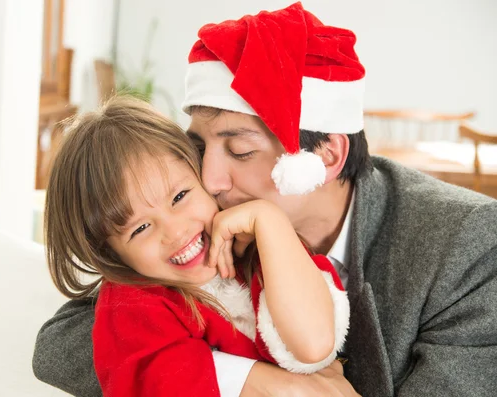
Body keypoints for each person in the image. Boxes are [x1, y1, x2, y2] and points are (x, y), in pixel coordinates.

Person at [33, 3, 497, 396]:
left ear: (326, 155)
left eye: (240, 151)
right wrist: (269, 384)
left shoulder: (467, 247)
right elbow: (62, 342)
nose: (210, 178)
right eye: (198, 148)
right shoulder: (202, 226)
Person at [43, 95, 350, 396]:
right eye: (140, 228)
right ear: (111, 254)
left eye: (180, 197)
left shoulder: (261, 244)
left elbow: (314, 345)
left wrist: (269, 219)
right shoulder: (134, 304)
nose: (175, 231)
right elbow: (151, 378)